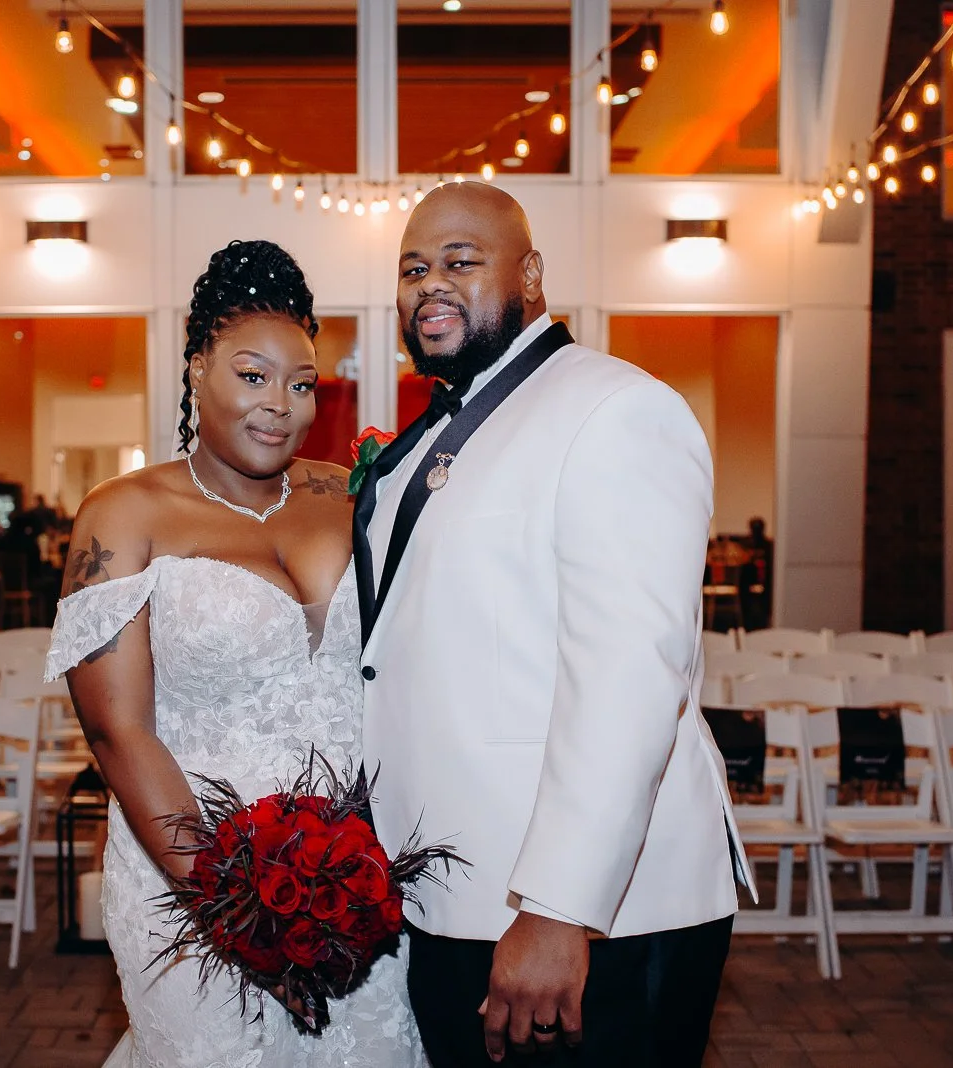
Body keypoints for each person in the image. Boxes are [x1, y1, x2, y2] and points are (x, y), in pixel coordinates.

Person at [356, 182, 753, 1067]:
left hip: (584, 919)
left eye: (462, 261)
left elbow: (628, 676)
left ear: (531, 275)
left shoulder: (614, 411)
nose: (431, 285)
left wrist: (558, 907)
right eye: (414, 268)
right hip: (451, 897)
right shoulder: (430, 438)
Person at [44, 240, 425, 1067]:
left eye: (300, 384)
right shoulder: (124, 513)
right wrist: (234, 913)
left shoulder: (350, 493)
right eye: (252, 376)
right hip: (190, 878)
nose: (279, 406)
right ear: (196, 369)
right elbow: (118, 733)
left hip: (356, 884)